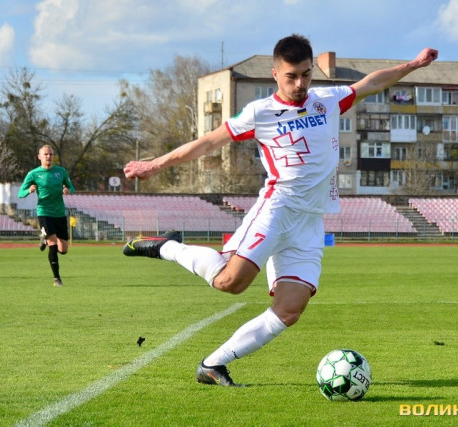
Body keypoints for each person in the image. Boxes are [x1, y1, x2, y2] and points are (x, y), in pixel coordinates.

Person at [123, 34, 438, 386]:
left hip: (310, 221)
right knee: (230, 282)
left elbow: (372, 83)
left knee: (289, 310)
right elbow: (207, 142)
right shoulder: (260, 113)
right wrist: (155, 165)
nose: (300, 84)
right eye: (291, 76)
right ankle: (167, 246)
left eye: (305, 74)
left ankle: (213, 365)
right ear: (275, 74)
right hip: (277, 209)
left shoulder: (328, 100)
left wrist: (414, 65)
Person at [18, 144, 75, 286]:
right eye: (46, 154)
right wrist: (29, 190)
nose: (49, 156)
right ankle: (57, 279)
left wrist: (68, 190)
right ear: (39, 157)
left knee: (63, 250)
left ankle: (44, 239)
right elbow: (20, 193)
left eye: (51, 154)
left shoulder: (61, 171)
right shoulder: (33, 174)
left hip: (59, 213)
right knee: (53, 243)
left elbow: (71, 187)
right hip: (44, 212)